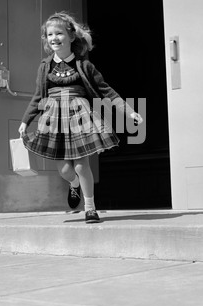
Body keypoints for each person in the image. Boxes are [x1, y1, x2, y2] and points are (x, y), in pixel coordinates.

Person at [19, 12, 143, 224]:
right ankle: (74, 184)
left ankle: (90, 208)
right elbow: (38, 96)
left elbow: (107, 92)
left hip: (80, 116)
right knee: (65, 169)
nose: (54, 38)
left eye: (59, 33)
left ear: (71, 36)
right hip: (54, 118)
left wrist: (129, 111)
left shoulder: (84, 65)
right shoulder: (45, 66)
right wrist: (25, 121)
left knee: (80, 164)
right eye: (49, 34)